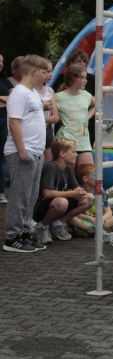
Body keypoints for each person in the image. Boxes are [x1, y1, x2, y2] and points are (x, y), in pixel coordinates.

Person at [2, 55, 50, 253]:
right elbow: (14, 122)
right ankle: (12, 237)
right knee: (20, 195)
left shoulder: (32, 93)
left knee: (30, 196)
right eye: (45, 71)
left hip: (35, 151)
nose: (48, 75)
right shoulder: (19, 93)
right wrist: (22, 150)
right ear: (33, 71)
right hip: (23, 151)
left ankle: (24, 232)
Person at [32, 139, 93, 244]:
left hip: (57, 204)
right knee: (61, 202)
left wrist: (84, 193)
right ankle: (42, 226)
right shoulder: (50, 166)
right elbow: (47, 193)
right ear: (62, 154)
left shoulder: (68, 169)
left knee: (88, 200)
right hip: (42, 208)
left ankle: (58, 223)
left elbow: (77, 189)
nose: (76, 155)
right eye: (73, 152)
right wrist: (72, 193)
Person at [55, 62, 95, 167]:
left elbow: (97, 105)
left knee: (88, 172)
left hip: (84, 141)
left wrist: (88, 116)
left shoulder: (87, 95)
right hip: (66, 141)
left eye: (85, 78)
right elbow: (52, 115)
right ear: (72, 78)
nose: (85, 81)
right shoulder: (58, 97)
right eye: (82, 77)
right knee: (69, 174)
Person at [71, 164, 113, 235]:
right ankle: (96, 229)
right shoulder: (80, 192)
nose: (100, 179)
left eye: (100, 176)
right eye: (95, 176)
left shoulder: (101, 191)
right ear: (85, 179)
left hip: (100, 220)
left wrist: (101, 219)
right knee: (72, 219)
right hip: (87, 220)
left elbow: (109, 212)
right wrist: (91, 219)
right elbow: (75, 213)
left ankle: (94, 230)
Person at [0, 53, 12, 204]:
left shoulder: (4, 81)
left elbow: (13, 98)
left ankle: (1, 191)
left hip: (3, 121)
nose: (1, 64)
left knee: (1, 155)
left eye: (2, 61)